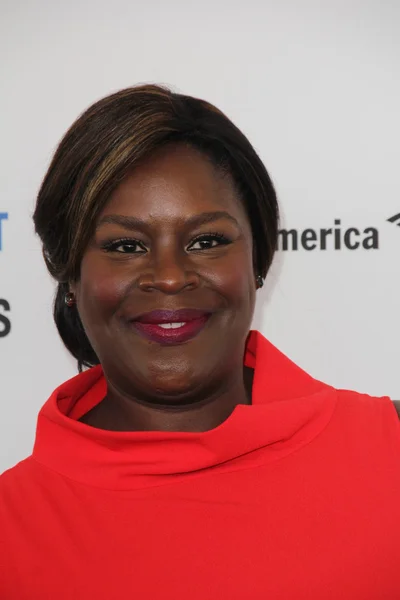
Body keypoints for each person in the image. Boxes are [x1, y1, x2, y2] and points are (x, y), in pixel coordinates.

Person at [1, 85, 400, 600]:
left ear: (258, 261)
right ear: (70, 278)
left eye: (206, 241)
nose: (169, 277)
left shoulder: (390, 450)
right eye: (126, 246)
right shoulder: (12, 529)